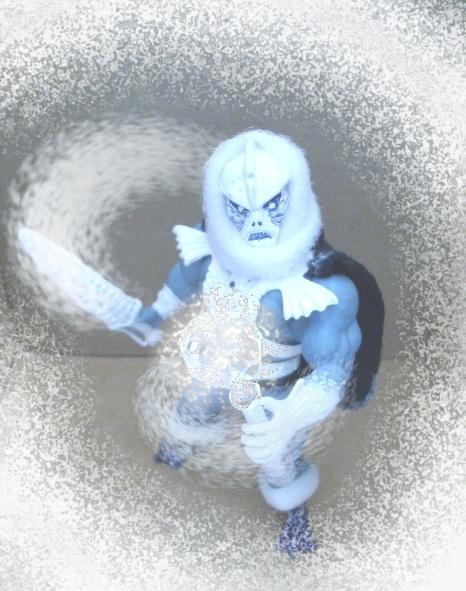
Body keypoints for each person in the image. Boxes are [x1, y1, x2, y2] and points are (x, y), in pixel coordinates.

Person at [123, 129, 384, 557]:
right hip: (218, 364)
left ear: (292, 201)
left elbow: (331, 366)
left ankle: (294, 508)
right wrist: (151, 316)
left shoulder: (322, 289)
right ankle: (179, 445)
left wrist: (289, 414)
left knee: (279, 458)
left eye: (272, 206)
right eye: (242, 210)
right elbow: (186, 277)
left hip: (277, 389)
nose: (257, 223)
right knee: (192, 407)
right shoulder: (214, 250)